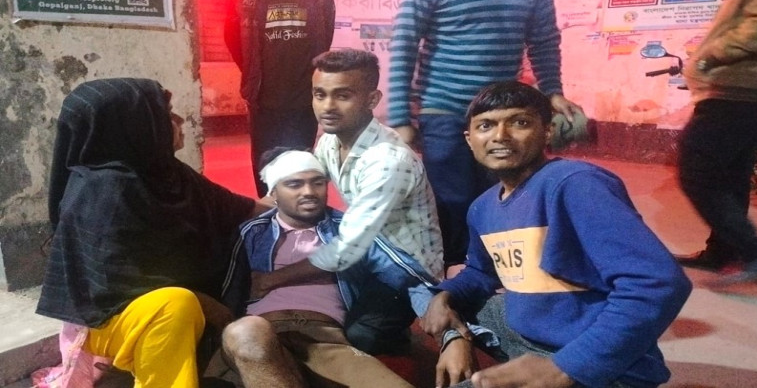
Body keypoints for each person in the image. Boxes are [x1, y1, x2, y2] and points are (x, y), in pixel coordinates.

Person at [421, 81, 692, 388]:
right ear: (469, 139)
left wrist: (565, 368)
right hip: (530, 338)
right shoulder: (483, 208)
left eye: (520, 123)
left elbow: (656, 282)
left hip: (596, 367)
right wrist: (445, 297)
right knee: (435, 302)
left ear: (547, 131)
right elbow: (482, 272)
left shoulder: (574, 184)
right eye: (486, 126)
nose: (500, 136)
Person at [34, 78, 262, 387]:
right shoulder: (104, 190)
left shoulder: (165, 173)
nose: (179, 120)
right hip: (109, 319)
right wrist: (211, 306)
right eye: (165, 113)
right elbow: (117, 289)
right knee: (174, 307)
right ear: (133, 126)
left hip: (160, 306)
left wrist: (301, 193)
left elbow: (241, 208)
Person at [387, 0, 583, 271]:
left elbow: (544, 40)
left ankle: (493, 269)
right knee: (451, 199)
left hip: (502, 112)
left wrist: (553, 92)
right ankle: (454, 271)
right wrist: (399, 117)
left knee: (503, 192)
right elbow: (404, 44)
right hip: (443, 109)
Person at [220, 148, 475, 388]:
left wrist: (449, 336)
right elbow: (225, 286)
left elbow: (408, 277)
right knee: (247, 332)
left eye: (317, 182)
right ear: (273, 192)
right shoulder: (251, 232)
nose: (308, 191)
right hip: (257, 335)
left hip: (325, 340)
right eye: (294, 184)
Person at [250, 49, 445, 355]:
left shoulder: (387, 161)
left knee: (358, 336)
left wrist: (269, 280)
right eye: (320, 94)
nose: (327, 106)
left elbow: (346, 250)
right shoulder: (331, 140)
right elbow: (295, 189)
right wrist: (237, 217)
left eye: (342, 96)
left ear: (372, 99)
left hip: (403, 270)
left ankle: (402, 339)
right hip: (363, 254)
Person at [676, 0, 757, 284]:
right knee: (731, 175)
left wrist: (709, 56)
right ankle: (724, 251)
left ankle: (756, 251)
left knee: (697, 170)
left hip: (743, 89)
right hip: (745, 89)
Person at [224, 0, 335, 197]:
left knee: (301, 170)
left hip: (303, 103)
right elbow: (234, 43)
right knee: (265, 172)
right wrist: (253, 74)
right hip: (263, 104)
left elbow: (324, 42)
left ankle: (297, 219)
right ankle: (269, 217)